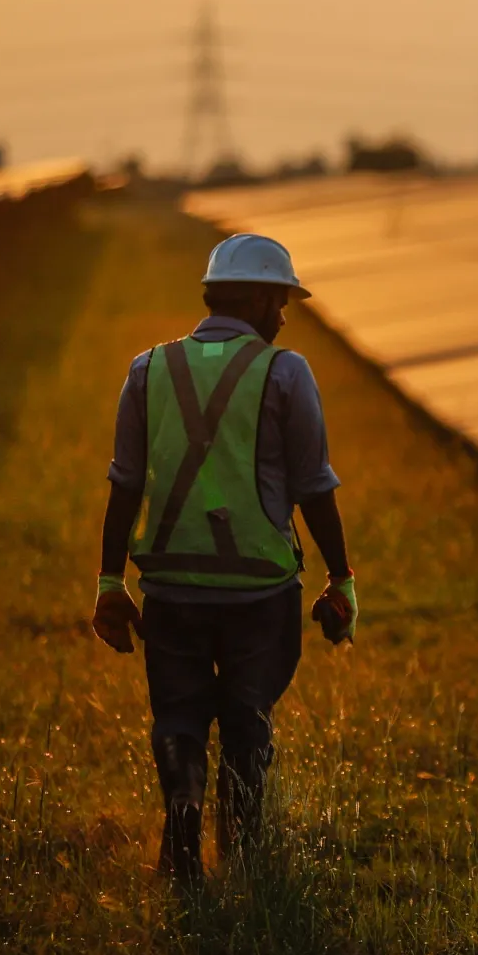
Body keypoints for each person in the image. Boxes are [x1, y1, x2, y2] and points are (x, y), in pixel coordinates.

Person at [90, 232, 357, 888]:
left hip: (171, 586)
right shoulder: (286, 372)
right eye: (284, 301)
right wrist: (342, 578)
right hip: (260, 590)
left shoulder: (146, 369)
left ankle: (182, 804)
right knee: (246, 715)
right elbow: (314, 487)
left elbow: (124, 483)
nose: (286, 316)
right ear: (264, 299)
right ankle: (241, 854)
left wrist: (108, 583)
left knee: (178, 714)